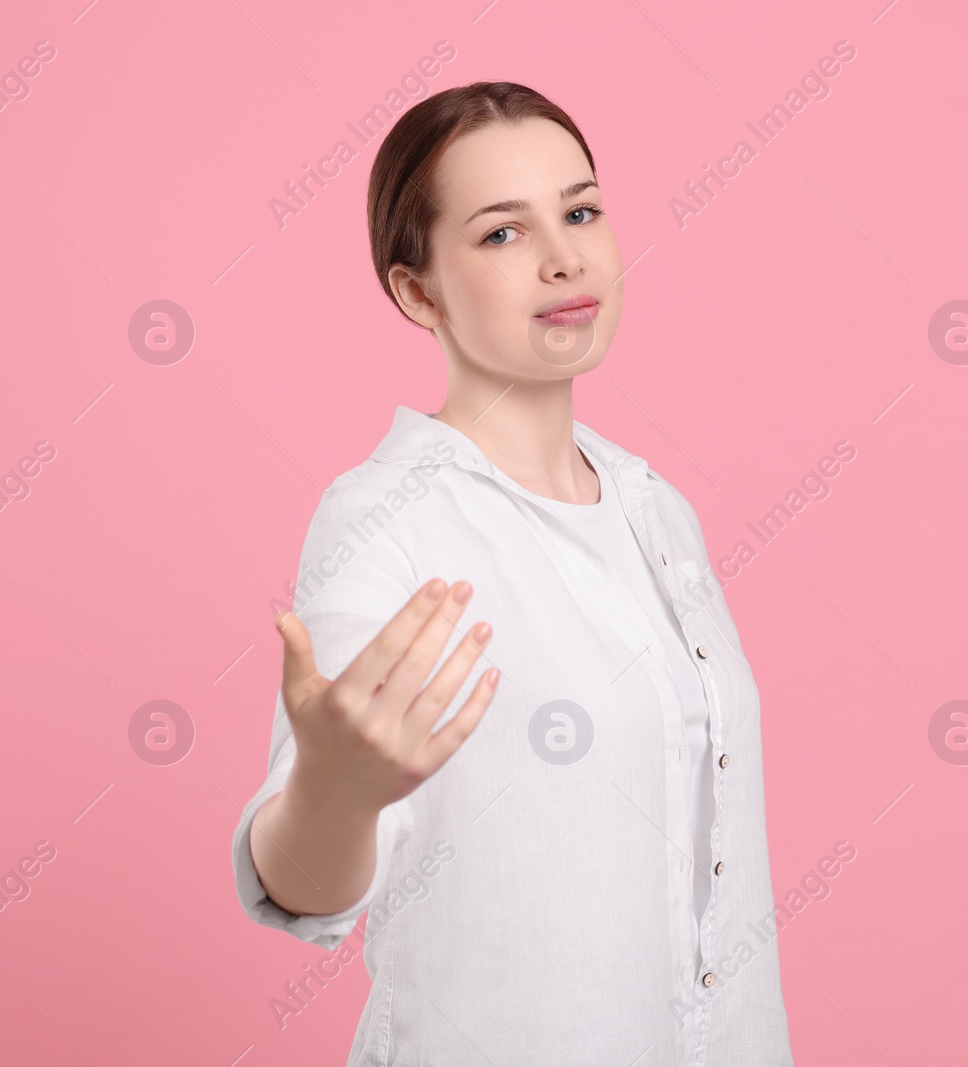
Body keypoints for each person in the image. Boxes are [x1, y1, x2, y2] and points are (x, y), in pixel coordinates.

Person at [229, 81, 794, 1066]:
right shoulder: (387, 522)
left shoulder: (658, 508)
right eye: (500, 234)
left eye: (580, 212)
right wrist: (334, 788)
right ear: (417, 290)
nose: (564, 255)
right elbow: (301, 881)